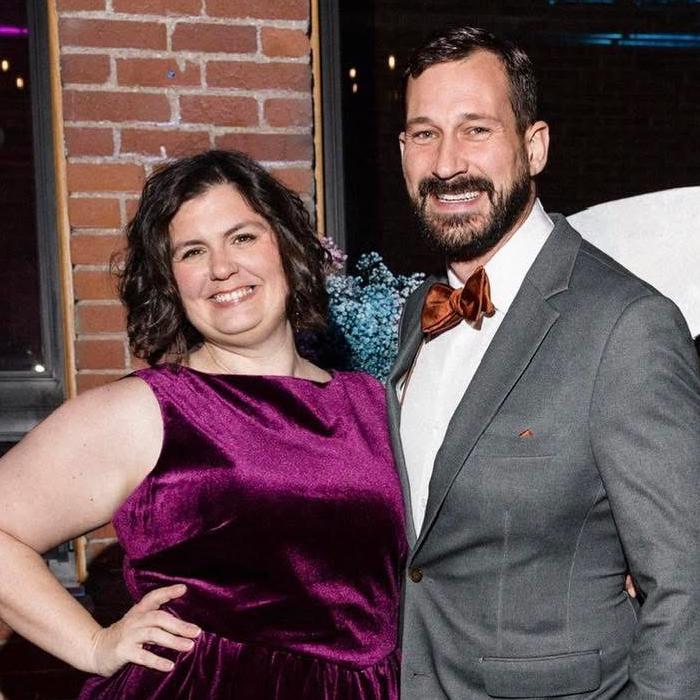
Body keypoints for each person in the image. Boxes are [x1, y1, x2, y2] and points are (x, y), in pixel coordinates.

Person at [0, 150, 405, 699]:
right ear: (170, 280)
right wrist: (92, 645)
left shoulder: (374, 402)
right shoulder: (151, 410)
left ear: (286, 246)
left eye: (242, 238)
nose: (222, 268)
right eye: (193, 251)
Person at [387, 26, 700, 698]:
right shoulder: (420, 310)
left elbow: (687, 590)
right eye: (424, 134)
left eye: (476, 130)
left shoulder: (627, 326)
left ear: (534, 147)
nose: (447, 164)